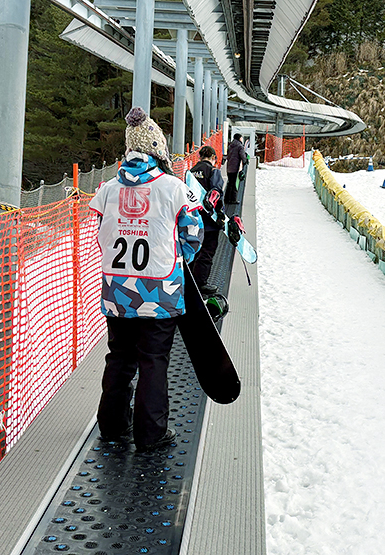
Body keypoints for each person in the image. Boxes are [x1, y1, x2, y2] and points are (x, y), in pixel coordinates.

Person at [89, 106, 203, 453]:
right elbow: (193, 236)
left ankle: (111, 428)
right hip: (161, 290)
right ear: (158, 149)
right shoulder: (173, 188)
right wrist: (175, 257)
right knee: (153, 360)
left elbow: (100, 235)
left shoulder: (107, 189)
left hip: (117, 291)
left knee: (119, 357)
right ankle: (151, 435)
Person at [189, 145, 224, 295]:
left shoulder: (189, 173)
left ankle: (188, 281)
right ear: (213, 158)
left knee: (192, 252)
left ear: (199, 157)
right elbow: (216, 192)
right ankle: (200, 283)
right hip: (209, 222)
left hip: (192, 220)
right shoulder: (213, 171)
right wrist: (220, 215)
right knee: (207, 253)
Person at [225, 133, 248, 204]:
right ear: (239, 138)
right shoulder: (239, 146)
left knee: (230, 183)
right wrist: (245, 161)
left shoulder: (230, 145)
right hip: (235, 167)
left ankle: (227, 198)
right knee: (234, 183)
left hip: (229, 166)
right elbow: (242, 156)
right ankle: (233, 199)